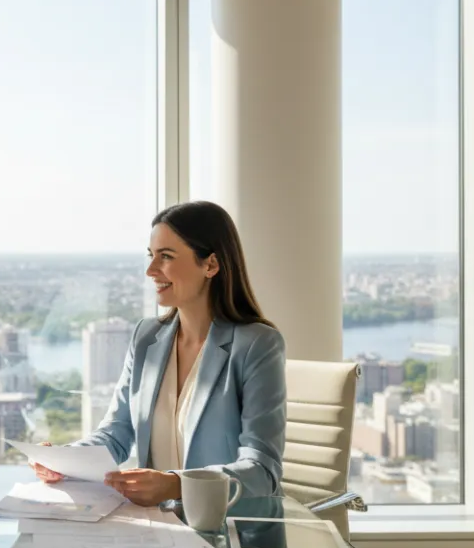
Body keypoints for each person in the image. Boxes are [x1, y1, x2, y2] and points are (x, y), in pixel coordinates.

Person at [32, 201, 286, 505]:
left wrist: (176, 485)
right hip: (158, 528)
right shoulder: (146, 338)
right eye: (151, 256)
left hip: (228, 530)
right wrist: (65, 460)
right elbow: (117, 432)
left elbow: (262, 470)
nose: (151, 270)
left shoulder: (257, 344)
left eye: (165, 257)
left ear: (211, 265)